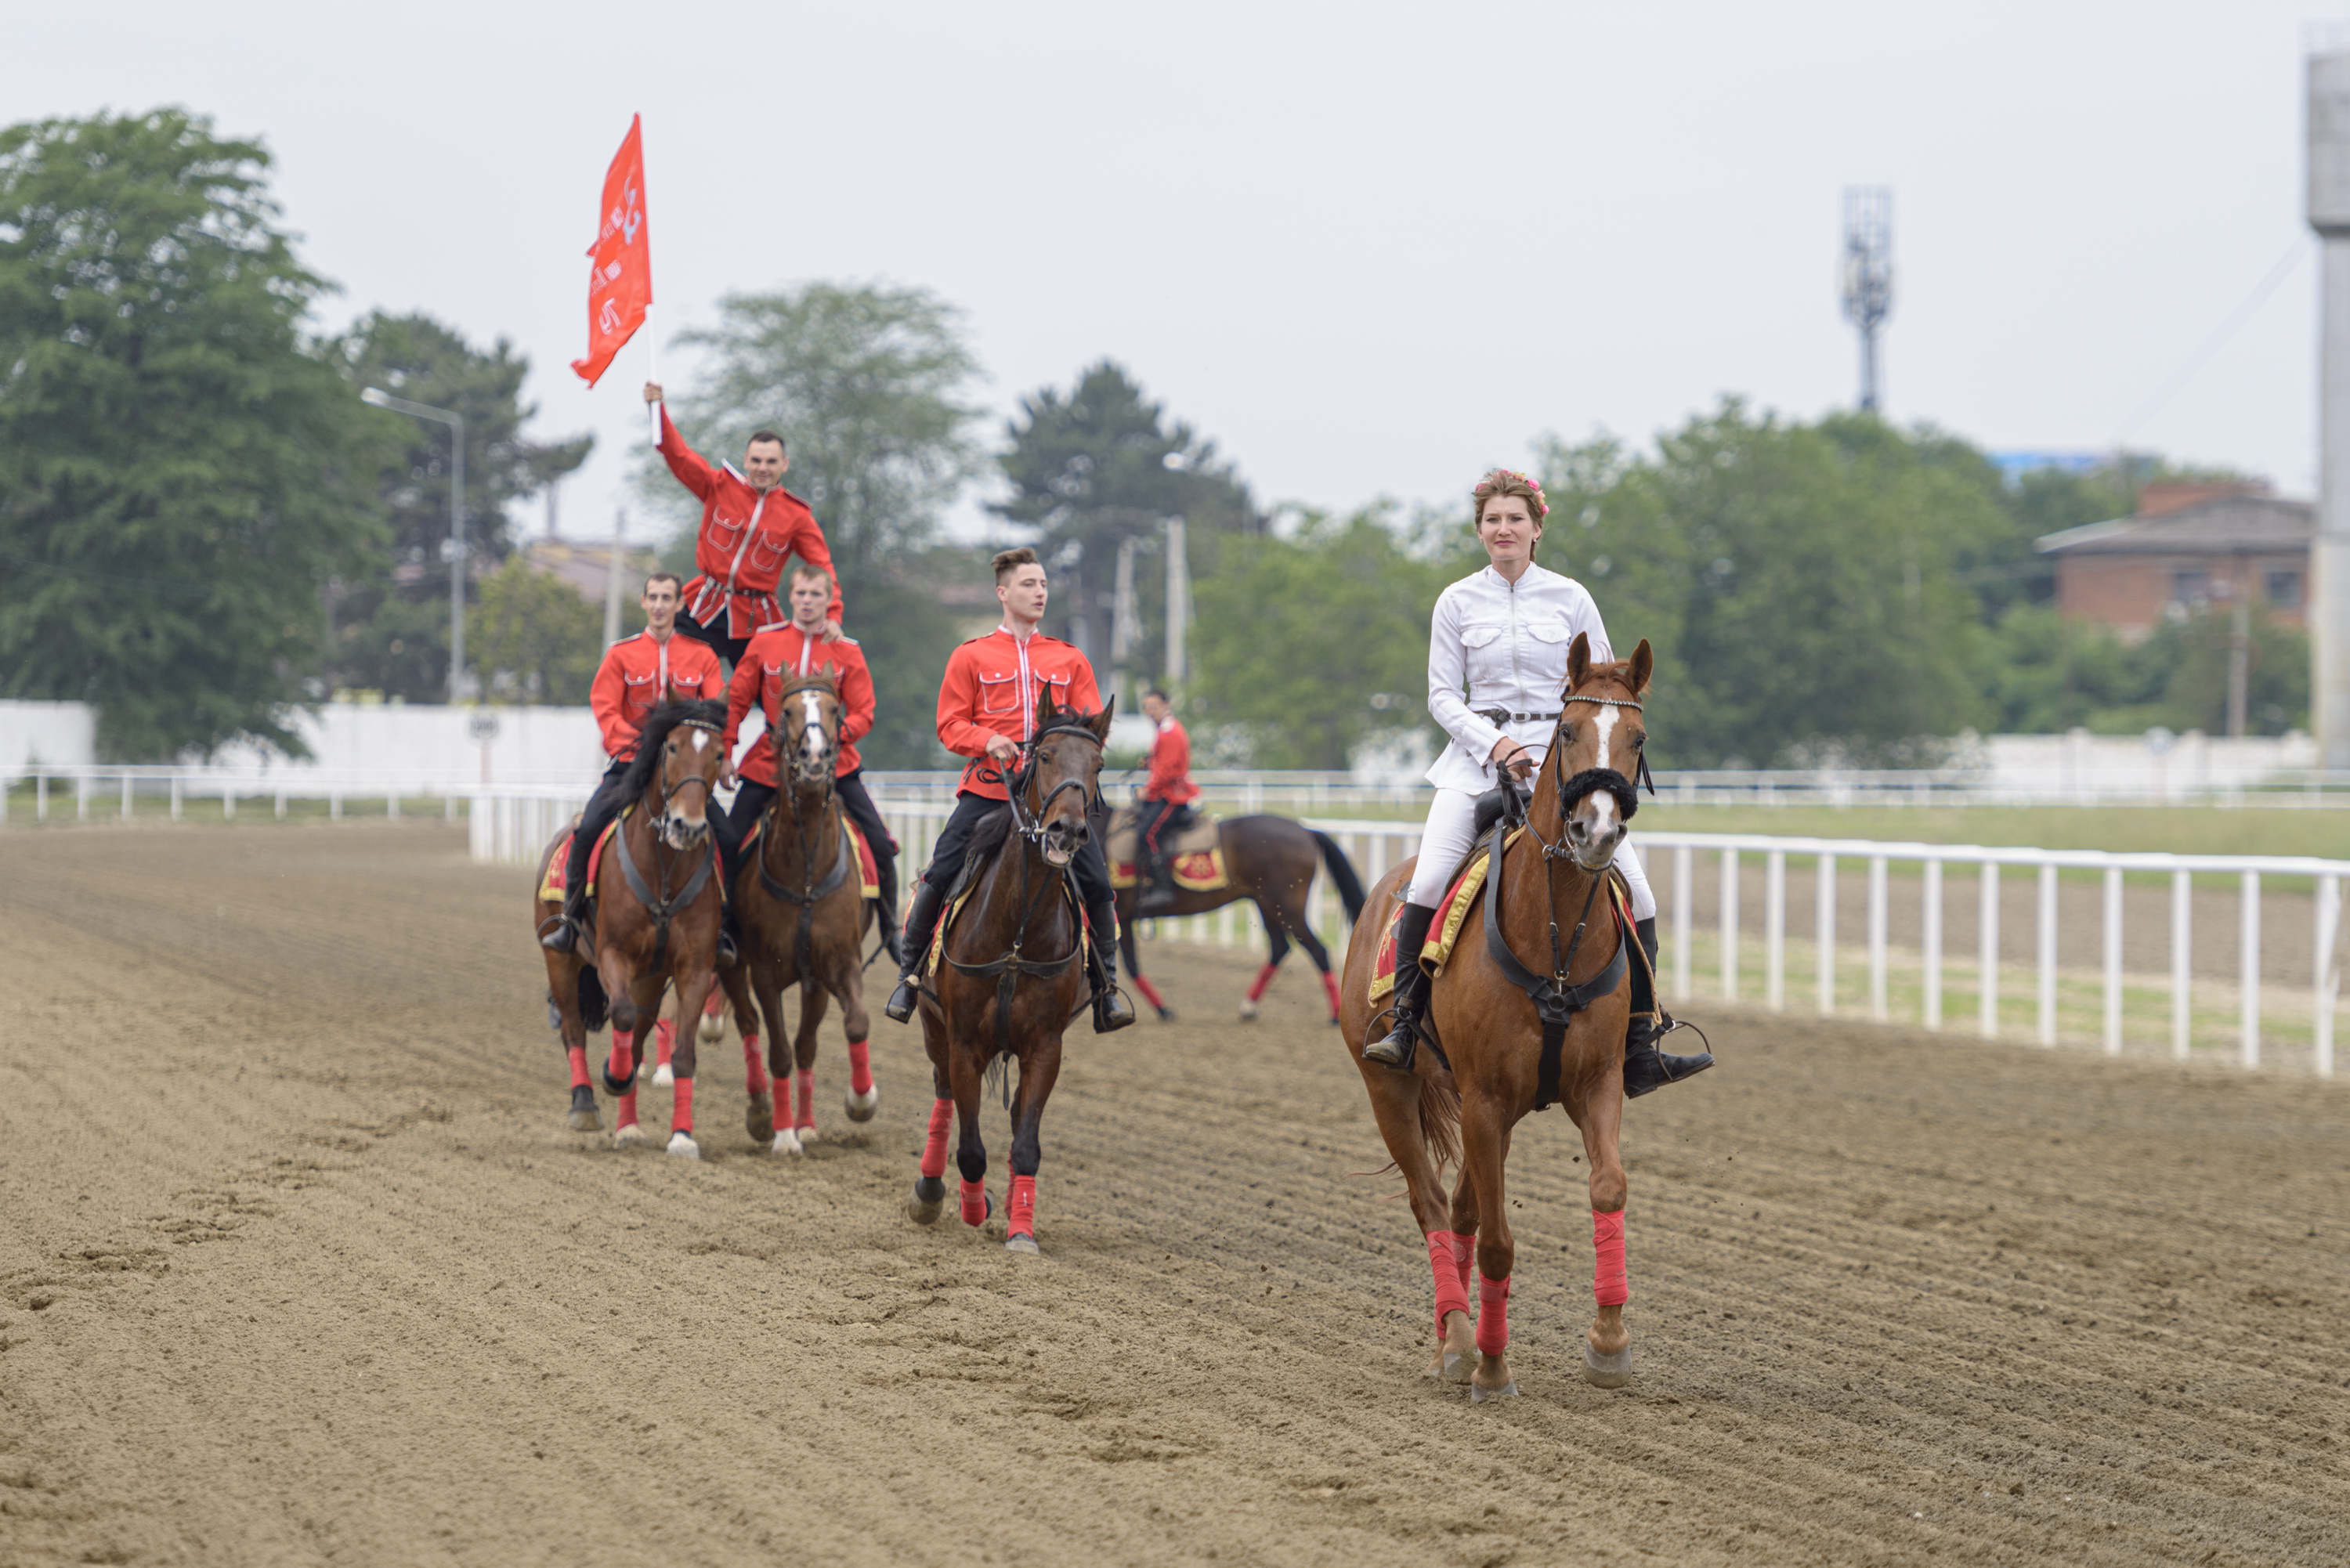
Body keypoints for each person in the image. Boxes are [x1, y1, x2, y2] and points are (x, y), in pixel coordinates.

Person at [1361, 469, 1712, 1097]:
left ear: (1536, 529)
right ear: (1480, 531)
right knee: (1432, 878)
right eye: (1493, 520)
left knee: (1641, 893)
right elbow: (1442, 696)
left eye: (1515, 519)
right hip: (1477, 763)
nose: (1504, 529)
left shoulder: (1572, 597)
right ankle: (1406, 1023)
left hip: (1565, 763)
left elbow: (1606, 684)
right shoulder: (1456, 601)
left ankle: (1641, 1042)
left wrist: (1572, 747)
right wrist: (1494, 743)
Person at [881, 547, 1136, 1034]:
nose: (1039, 592)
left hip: (1054, 800)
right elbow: (949, 724)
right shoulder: (970, 655)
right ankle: (909, 979)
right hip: (990, 793)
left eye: (1043, 585)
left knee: (1100, 886)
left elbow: (1090, 730)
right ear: (1003, 592)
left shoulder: (1069, 657)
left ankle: (1107, 991)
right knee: (940, 874)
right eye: (1028, 585)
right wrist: (986, 739)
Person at [720, 562, 903, 966]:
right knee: (729, 840)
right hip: (769, 764)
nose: (807, 602)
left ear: (829, 600)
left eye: (816, 595)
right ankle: (723, 928)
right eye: (801, 593)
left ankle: (892, 930)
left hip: (835, 766)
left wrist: (834, 738)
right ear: (790, 596)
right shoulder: (765, 643)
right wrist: (727, 752)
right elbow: (735, 701)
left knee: (879, 843)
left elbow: (865, 711)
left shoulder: (847, 649)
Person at [541, 572, 728, 957]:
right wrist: (637, 745)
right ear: (643, 603)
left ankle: (727, 928)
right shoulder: (620, 654)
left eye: (667, 598)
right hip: (630, 768)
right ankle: (572, 920)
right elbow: (606, 709)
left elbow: (713, 716)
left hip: (684, 776)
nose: (659, 605)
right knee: (590, 827)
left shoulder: (703, 657)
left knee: (729, 837)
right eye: (653, 597)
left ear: (680, 605)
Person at [643, 380, 843, 667]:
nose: (763, 468)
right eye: (757, 460)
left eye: (771, 462)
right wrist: (656, 410)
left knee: (777, 691)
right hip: (704, 605)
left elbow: (823, 566)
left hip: (755, 616)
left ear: (784, 465)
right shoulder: (719, 486)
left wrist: (833, 615)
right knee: (671, 671)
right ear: (746, 461)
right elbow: (679, 455)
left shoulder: (797, 515)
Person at [1133, 687, 1198, 915]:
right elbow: (1163, 763)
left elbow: (1168, 771)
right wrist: (1150, 762)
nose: (1150, 711)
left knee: (1147, 834)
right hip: (1167, 791)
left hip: (1173, 795)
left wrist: (1147, 789)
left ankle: (1163, 887)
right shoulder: (1165, 729)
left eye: (1154, 706)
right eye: (1146, 707)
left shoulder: (1169, 732)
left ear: (1166, 705)